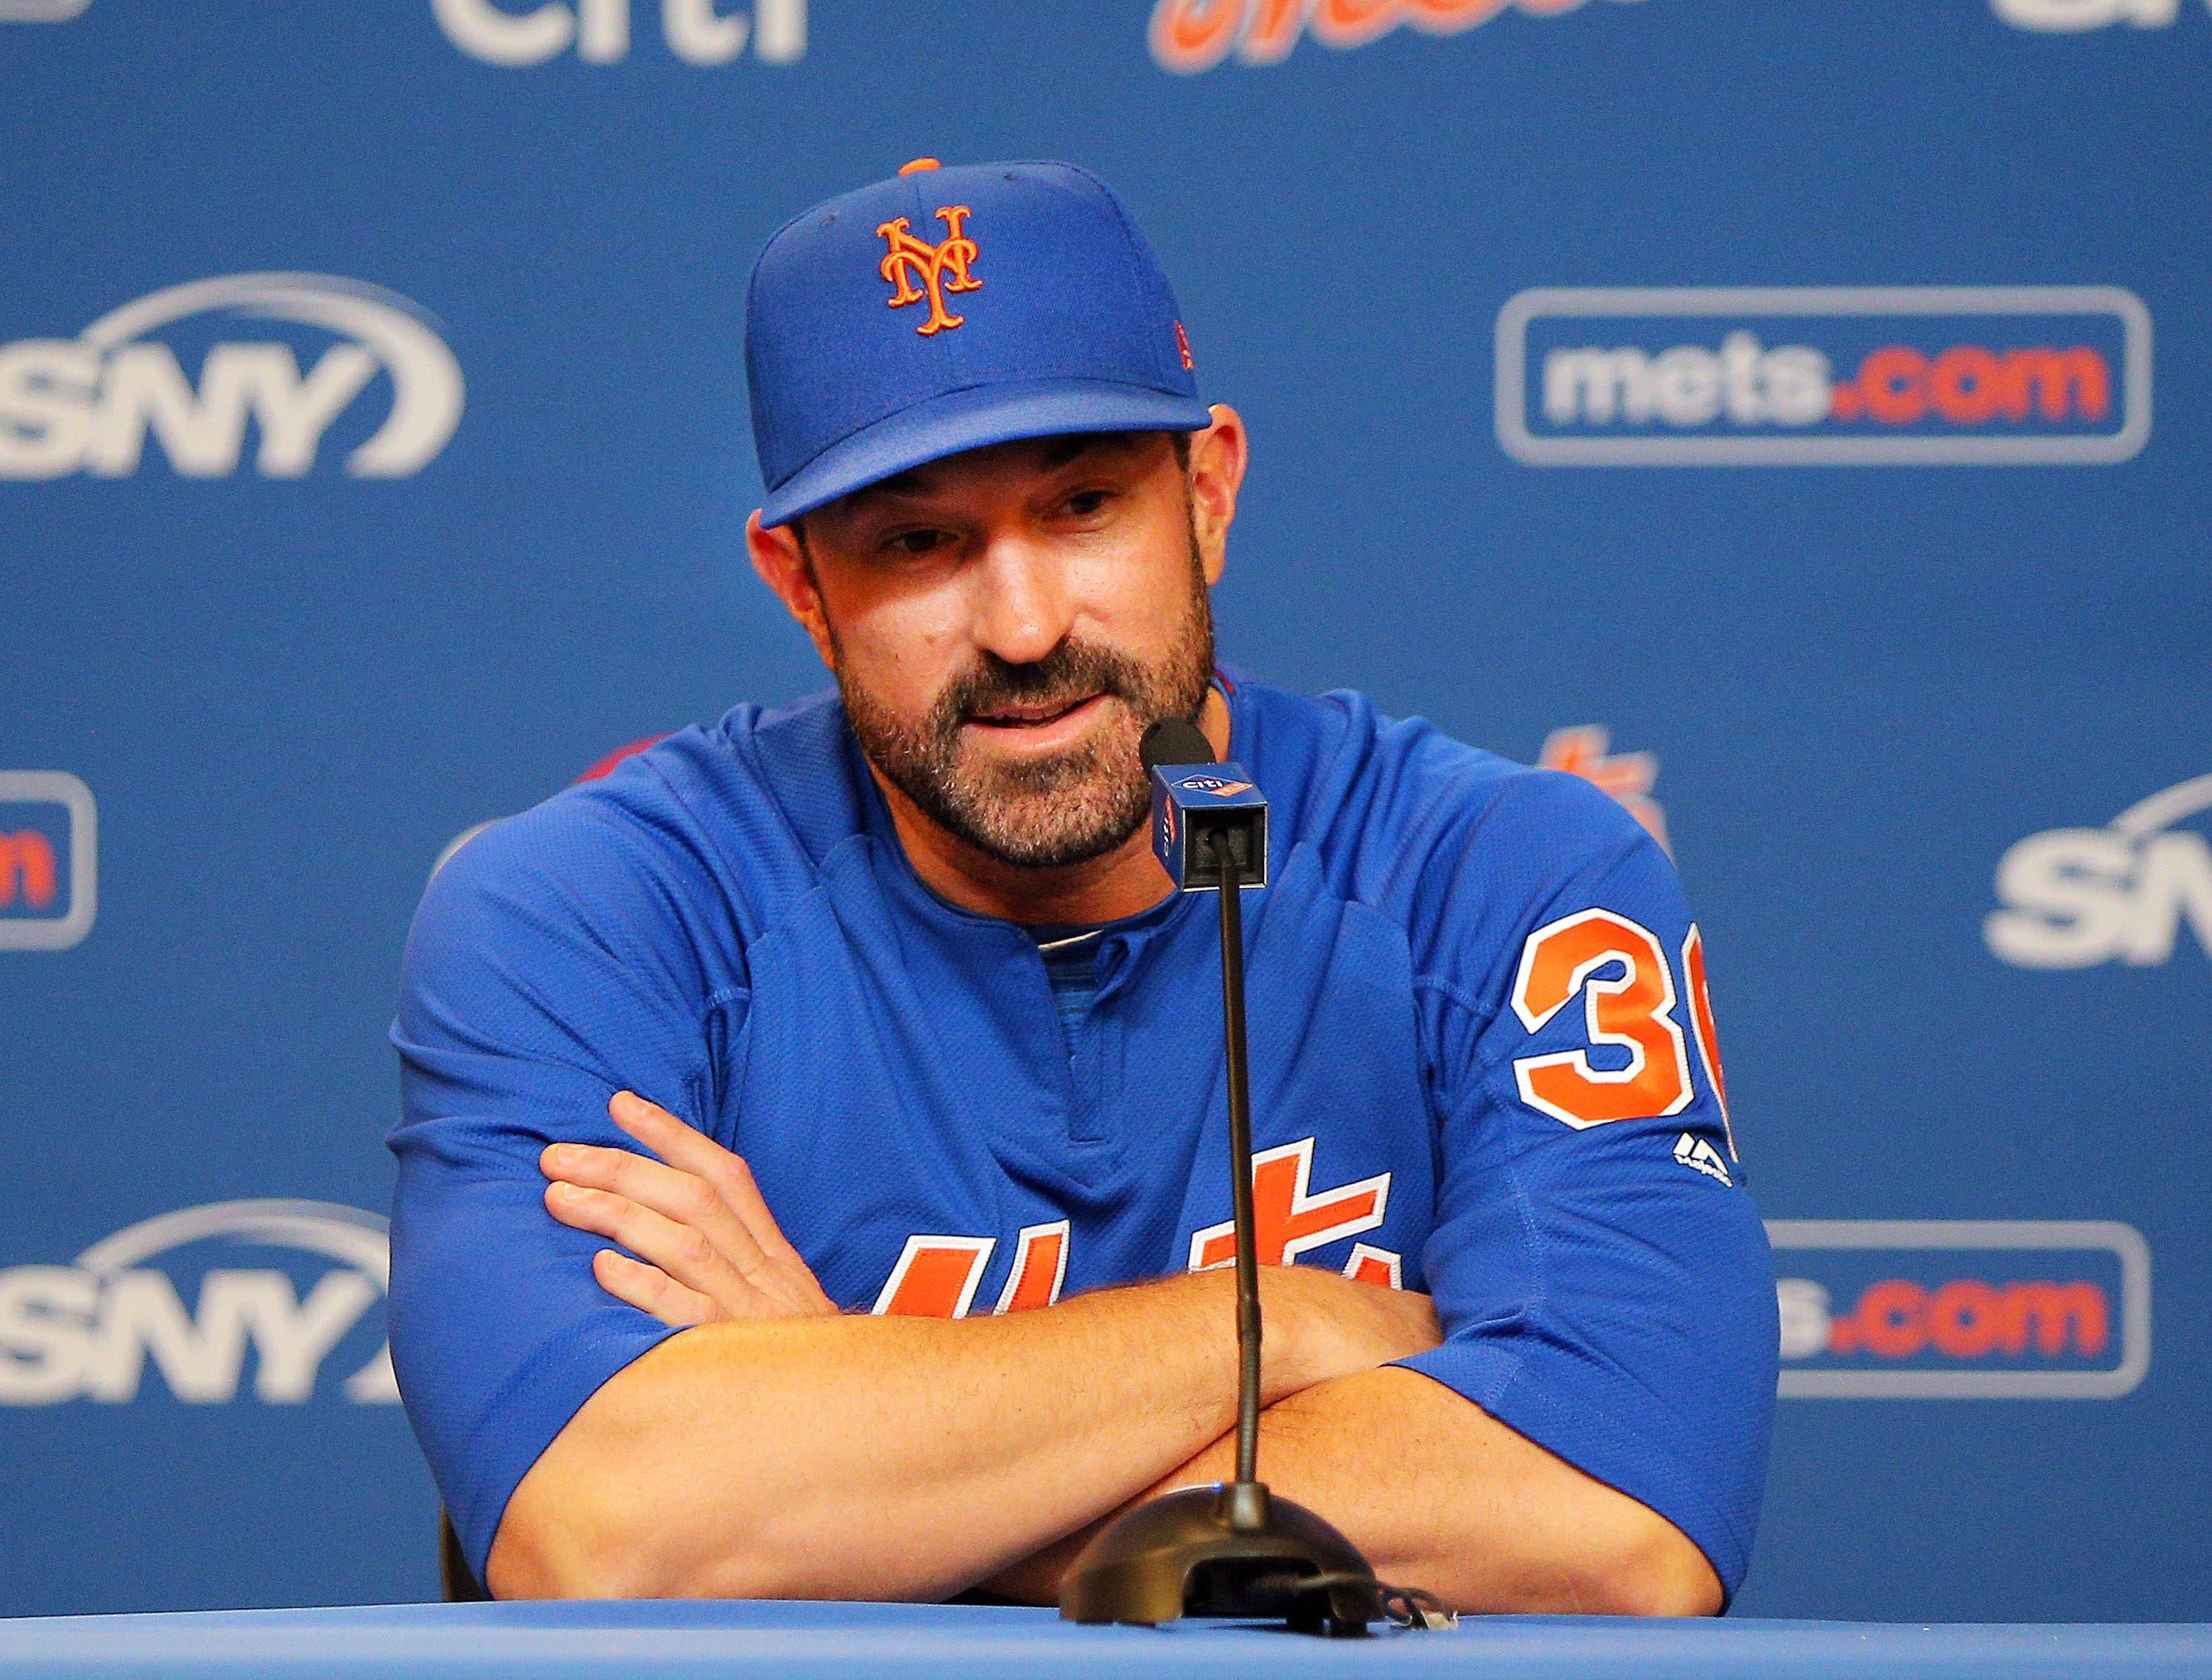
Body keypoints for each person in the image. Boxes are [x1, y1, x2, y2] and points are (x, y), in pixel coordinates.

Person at [388, 158, 1778, 1614]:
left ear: (1208, 493)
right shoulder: (592, 913)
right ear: (800, 586)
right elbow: (610, 1533)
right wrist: (1300, 1332)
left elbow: (1620, 1517)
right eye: (917, 542)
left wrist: (850, 1459)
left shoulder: (1498, 876)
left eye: (1082, 507)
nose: (1023, 622)